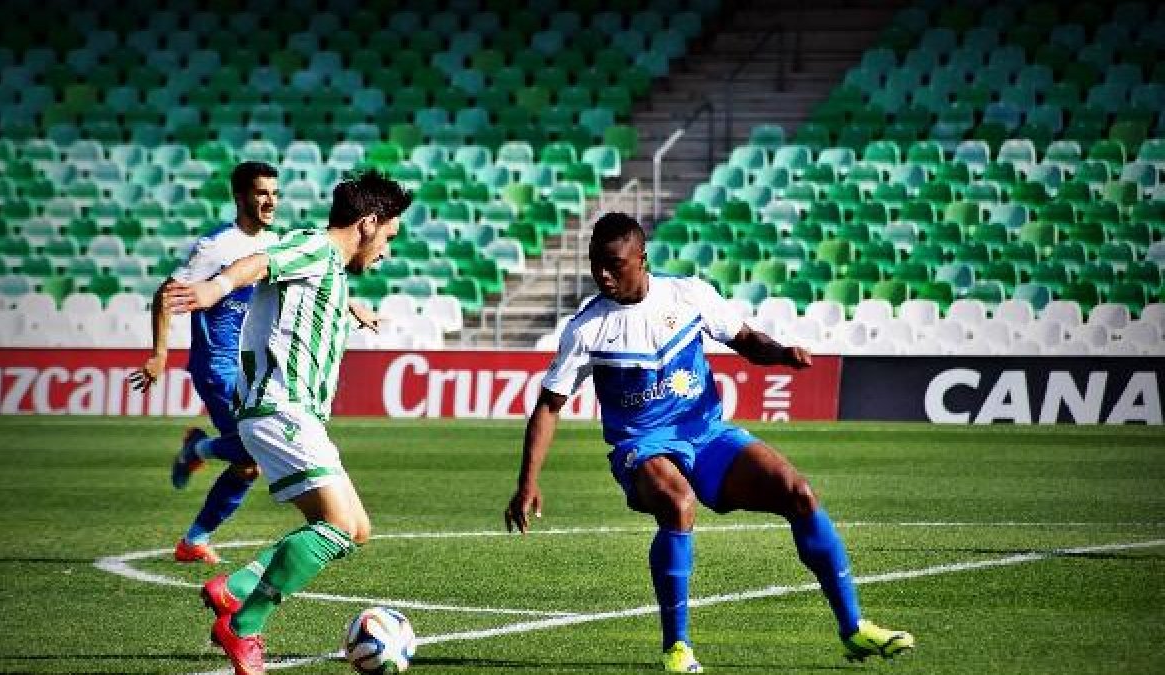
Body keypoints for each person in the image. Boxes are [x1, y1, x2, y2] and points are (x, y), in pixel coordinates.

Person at [504, 213, 913, 673]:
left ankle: (854, 628)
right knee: (678, 504)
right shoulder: (587, 329)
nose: (603, 275)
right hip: (642, 444)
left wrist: (781, 353)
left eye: (614, 265)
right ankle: (676, 647)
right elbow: (549, 405)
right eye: (595, 263)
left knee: (798, 493)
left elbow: (745, 339)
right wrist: (527, 483)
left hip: (705, 432)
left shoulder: (688, 295)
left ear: (642, 260)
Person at [163, 170, 411, 675]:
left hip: (295, 414)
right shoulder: (315, 247)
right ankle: (243, 625)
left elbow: (298, 283)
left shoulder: (328, 267)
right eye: (388, 236)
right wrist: (213, 289)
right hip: (281, 408)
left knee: (357, 529)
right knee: (337, 528)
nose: (387, 251)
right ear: (367, 223)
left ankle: (234, 588)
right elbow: (260, 262)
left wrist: (349, 307)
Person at [130, 161, 282, 565]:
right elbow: (167, 294)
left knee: (249, 463)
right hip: (217, 364)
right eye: (262, 193)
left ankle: (194, 535)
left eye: (275, 193)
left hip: (254, 368)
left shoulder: (276, 244)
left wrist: (352, 307)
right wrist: (159, 353)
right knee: (253, 452)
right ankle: (196, 458)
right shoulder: (215, 247)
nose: (271, 201)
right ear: (240, 197)